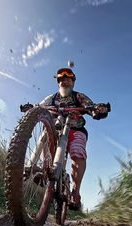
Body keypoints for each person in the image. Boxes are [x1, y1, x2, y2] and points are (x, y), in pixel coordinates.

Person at [39, 67, 109, 211]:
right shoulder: (51, 98)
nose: (65, 82)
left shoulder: (78, 97)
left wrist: (99, 109)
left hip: (75, 129)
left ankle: (75, 194)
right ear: (58, 83)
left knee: (77, 153)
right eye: (62, 80)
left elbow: (92, 107)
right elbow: (39, 107)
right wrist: (32, 108)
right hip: (55, 129)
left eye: (68, 79)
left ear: (73, 82)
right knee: (45, 138)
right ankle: (45, 171)